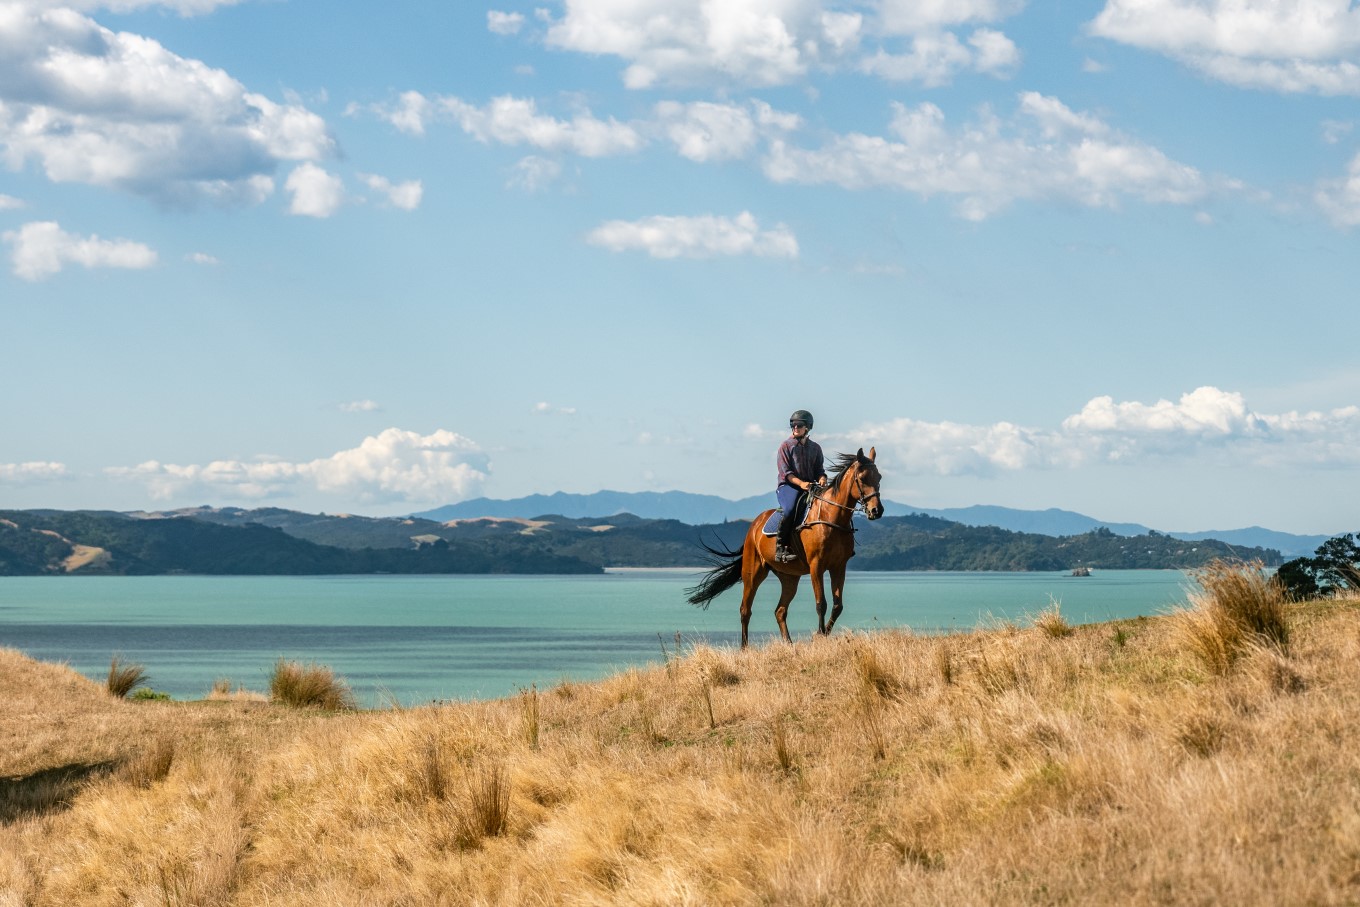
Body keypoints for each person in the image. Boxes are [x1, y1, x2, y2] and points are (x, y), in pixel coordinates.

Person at [774, 409, 828, 563]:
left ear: (808, 427)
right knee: (790, 510)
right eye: (793, 425)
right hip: (788, 487)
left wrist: (822, 478)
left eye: (799, 425)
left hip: (810, 487)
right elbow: (787, 473)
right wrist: (802, 484)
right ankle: (780, 548)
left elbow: (819, 470)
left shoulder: (816, 448)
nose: (795, 428)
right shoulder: (785, 446)